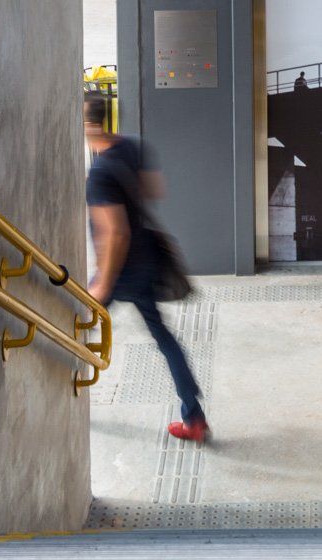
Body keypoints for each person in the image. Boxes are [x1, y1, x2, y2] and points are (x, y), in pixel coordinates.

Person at [84, 95, 208, 442]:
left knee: (76, 329)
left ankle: (60, 392)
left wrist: (104, 284)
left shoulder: (98, 174)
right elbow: (155, 189)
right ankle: (194, 416)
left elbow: (116, 233)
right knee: (164, 338)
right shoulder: (132, 147)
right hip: (146, 259)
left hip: (120, 271)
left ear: (87, 125)